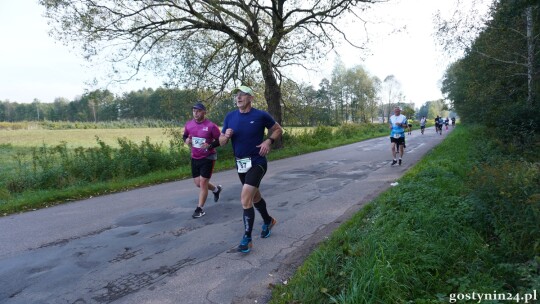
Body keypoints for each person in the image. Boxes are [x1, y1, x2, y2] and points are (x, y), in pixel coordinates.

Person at [219, 85, 283, 253]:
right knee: (254, 197)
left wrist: (269, 141)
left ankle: (247, 238)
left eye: (242, 95)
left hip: (257, 162)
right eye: (236, 95)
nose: (238, 98)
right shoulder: (230, 117)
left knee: (245, 198)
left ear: (251, 98)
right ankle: (268, 220)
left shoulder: (260, 115)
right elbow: (221, 141)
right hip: (241, 163)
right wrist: (225, 136)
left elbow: (277, 129)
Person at [183, 102, 223, 218]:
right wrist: (186, 140)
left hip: (208, 157)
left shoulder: (211, 126)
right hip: (195, 157)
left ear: (204, 112)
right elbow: (185, 136)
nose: (195, 113)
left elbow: (220, 140)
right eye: (194, 111)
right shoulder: (189, 125)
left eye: (198, 111)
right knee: (198, 184)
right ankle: (216, 190)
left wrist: (209, 146)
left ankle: (199, 209)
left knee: (203, 183)